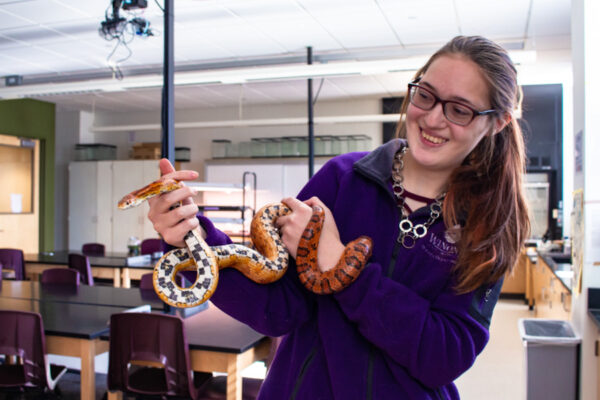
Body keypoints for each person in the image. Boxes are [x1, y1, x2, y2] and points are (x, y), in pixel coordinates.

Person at [147, 35, 530, 399]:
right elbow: (277, 308)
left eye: (459, 109)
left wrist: (340, 265)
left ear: (495, 123)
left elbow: (444, 356)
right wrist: (192, 237)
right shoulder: (343, 180)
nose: (432, 119)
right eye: (425, 95)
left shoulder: (488, 223)